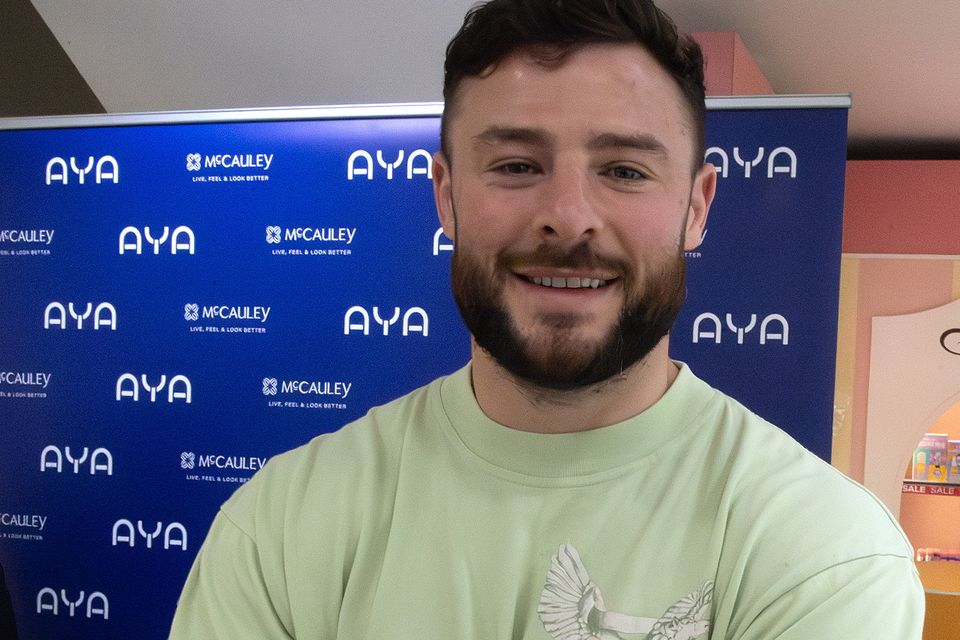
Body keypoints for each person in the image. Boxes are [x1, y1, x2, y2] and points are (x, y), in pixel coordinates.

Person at [169, 0, 924, 638]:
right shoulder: (280, 524)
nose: (567, 218)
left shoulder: (826, 553)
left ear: (696, 207)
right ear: (446, 195)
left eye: (624, 170)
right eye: (516, 165)